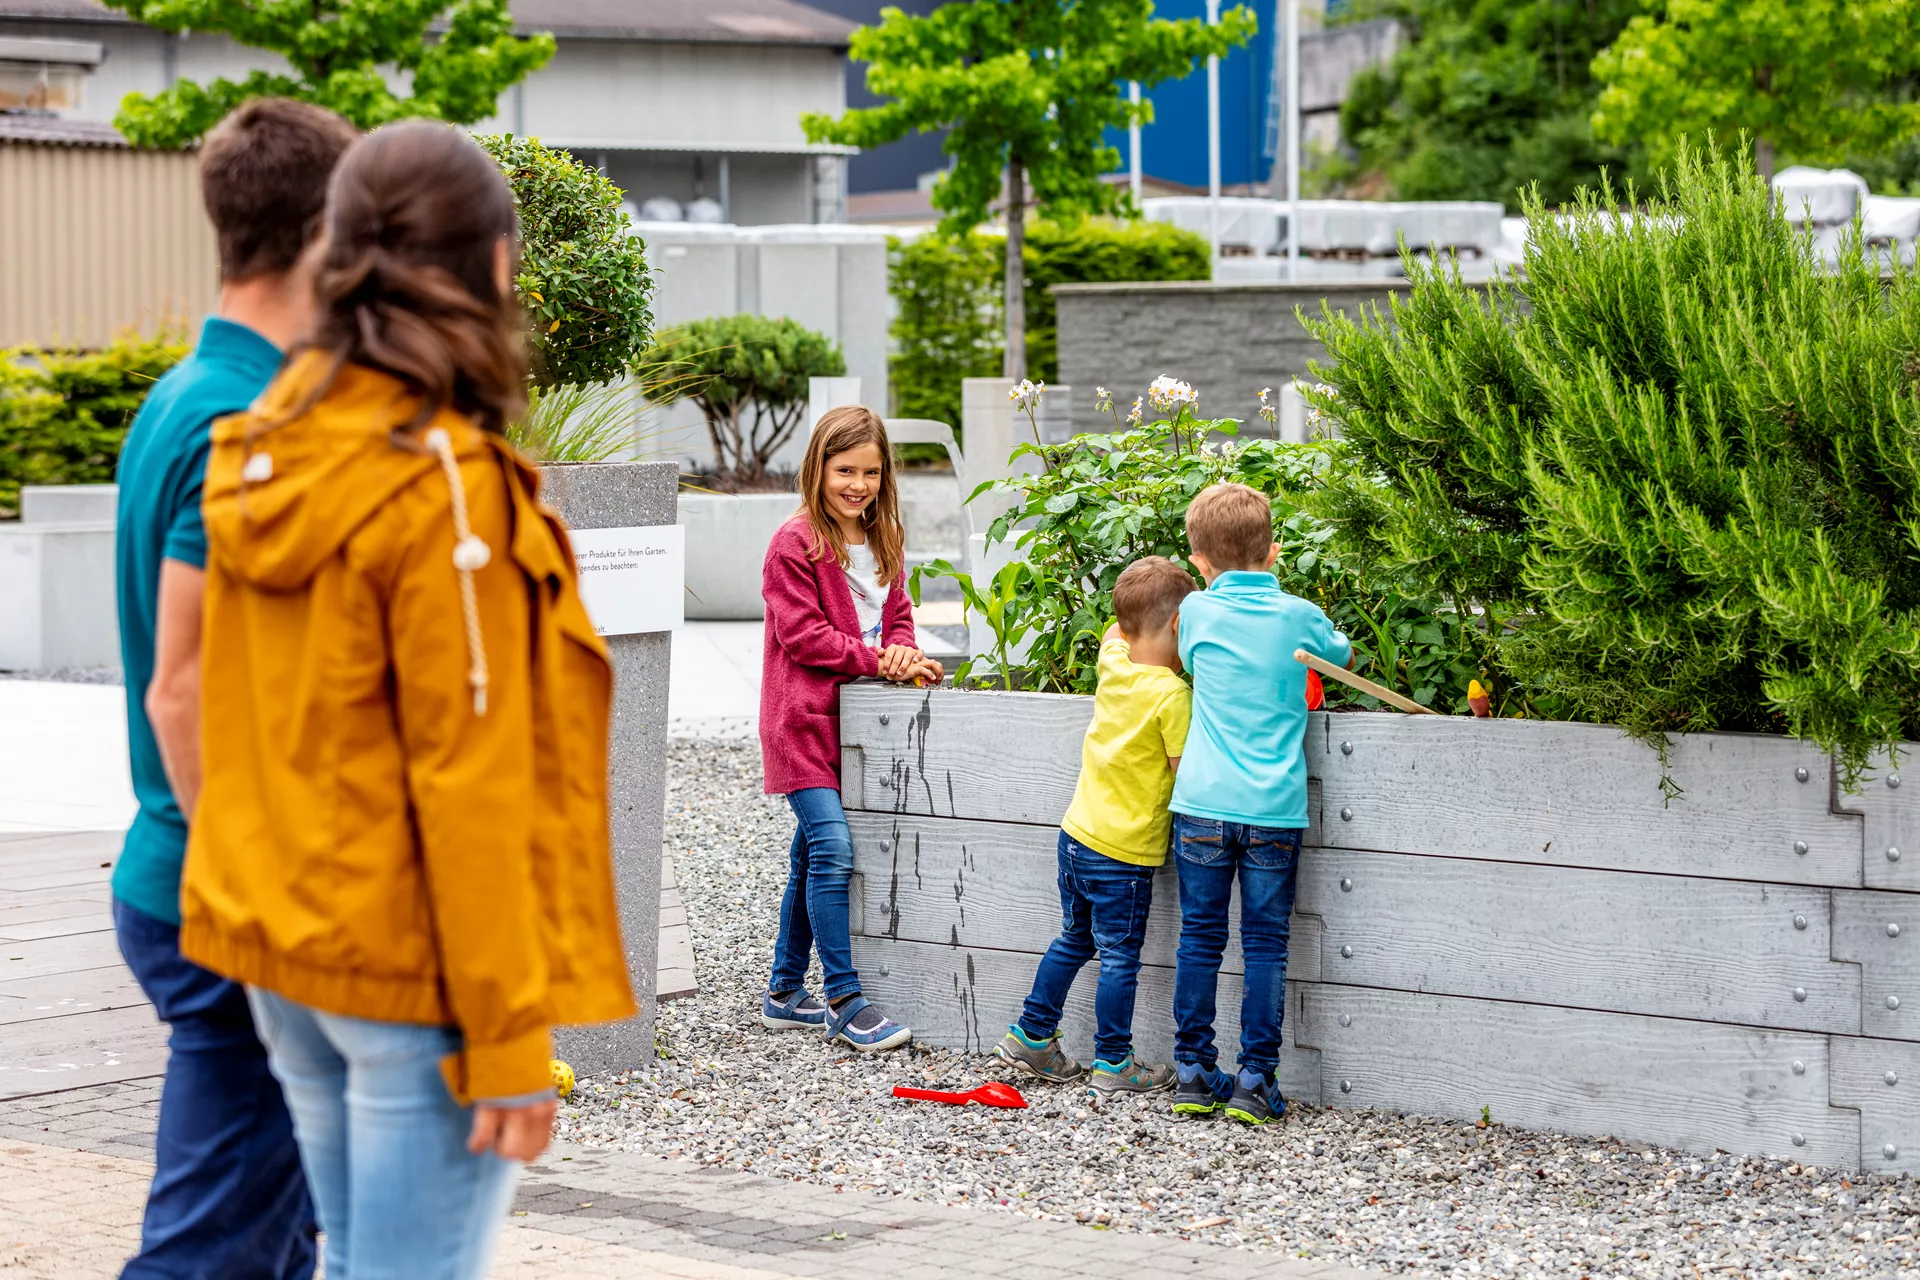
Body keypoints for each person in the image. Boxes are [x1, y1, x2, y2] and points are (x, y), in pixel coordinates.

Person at [176, 119, 635, 1280]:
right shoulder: (444, 486)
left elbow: (234, 709)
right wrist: (510, 1038)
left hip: (292, 950)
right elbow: (471, 776)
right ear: (491, 267)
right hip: (411, 974)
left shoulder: (263, 446)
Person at [110, 95, 356, 1280]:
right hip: (227, 902)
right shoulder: (243, 423)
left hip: (188, 880)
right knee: (208, 1257)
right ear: (323, 235)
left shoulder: (181, 395)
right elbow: (182, 688)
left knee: (265, 1244)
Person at [1168, 482, 1353, 1126]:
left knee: (1200, 936)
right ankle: (1254, 1081)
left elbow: (1190, 661)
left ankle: (1192, 1071)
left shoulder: (1195, 613)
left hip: (1201, 804)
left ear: (1200, 561)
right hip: (1273, 808)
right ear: (1273, 552)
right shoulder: (1299, 615)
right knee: (1267, 944)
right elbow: (1341, 655)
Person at [760, 405, 941, 1051]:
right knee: (833, 848)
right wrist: (877, 659)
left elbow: (899, 618)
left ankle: (784, 993)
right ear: (819, 469)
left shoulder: (885, 536)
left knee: (811, 853)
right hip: (803, 723)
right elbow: (803, 637)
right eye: (844, 470)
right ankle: (844, 999)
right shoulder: (795, 542)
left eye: (870, 471)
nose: (857, 484)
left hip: (861, 726)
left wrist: (902, 654)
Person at [994, 555, 1194, 1093]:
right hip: (1124, 853)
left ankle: (1031, 1036)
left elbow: (1115, 628)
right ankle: (1113, 1063)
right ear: (1179, 627)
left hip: (1076, 836)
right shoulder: (1173, 696)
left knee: (1074, 938)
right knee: (1120, 957)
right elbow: (1185, 772)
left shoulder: (1113, 662)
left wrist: (1139, 610)